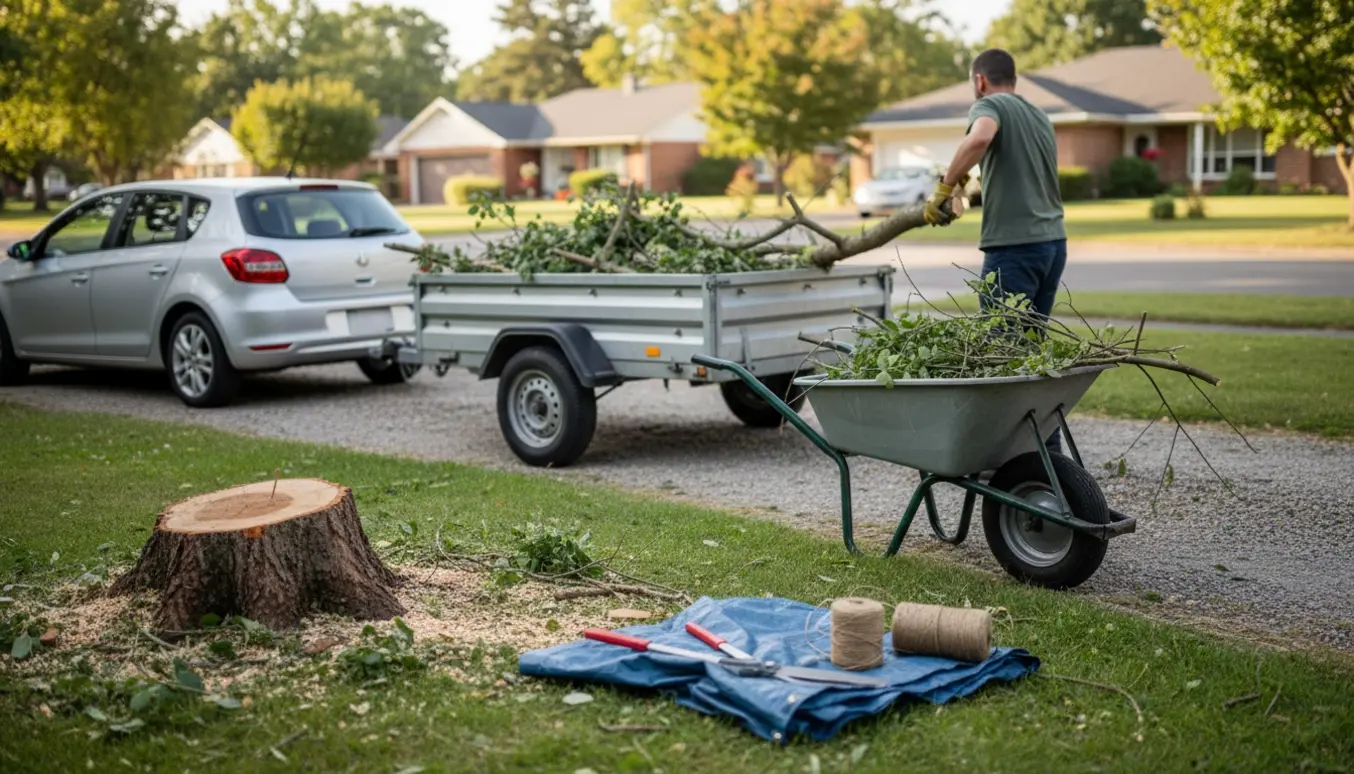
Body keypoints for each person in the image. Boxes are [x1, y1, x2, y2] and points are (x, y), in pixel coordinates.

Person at [923, 47, 1067, 453]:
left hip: (1014, 250)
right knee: (1029, 354)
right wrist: (967, 186)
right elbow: (1010, 167)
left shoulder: (988, 106)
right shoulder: (1038, 115)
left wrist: (944, 188)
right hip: (1052, 245)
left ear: (980, 81)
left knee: (999, 356)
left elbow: (981, 137)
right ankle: (1044, 455)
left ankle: (1009, 456)